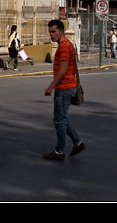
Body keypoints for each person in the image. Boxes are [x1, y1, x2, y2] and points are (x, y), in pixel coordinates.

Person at [43, 19, 85, 161]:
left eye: (54, 32)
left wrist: (51, 86)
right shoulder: (66, 44)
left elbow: (63, 69)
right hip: (67, 86)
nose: (51, 35)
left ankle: (60, 151)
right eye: (50, 32)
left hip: (64, 87)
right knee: (61, 118)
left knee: (60, 119)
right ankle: (77, 142)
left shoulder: (64, 46)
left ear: (61, 31)